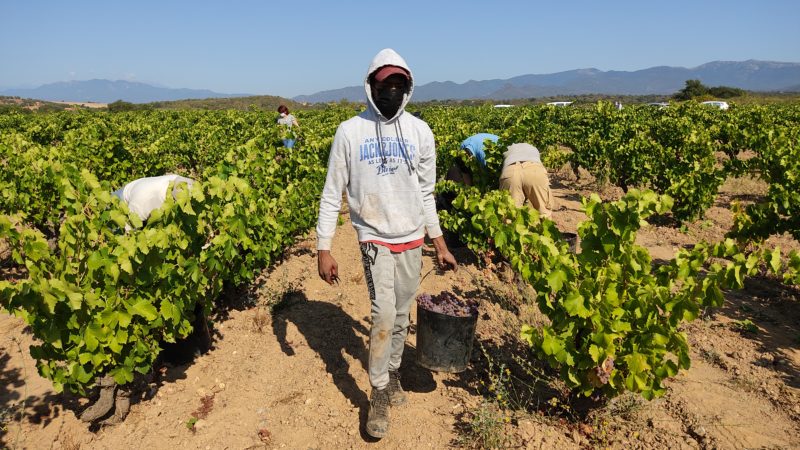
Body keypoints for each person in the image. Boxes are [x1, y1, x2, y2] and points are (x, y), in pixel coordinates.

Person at [315, 48, 457, 439]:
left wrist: (440, 244)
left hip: (412, 237)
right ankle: (378, 391)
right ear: (372, 85)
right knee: (381, 314)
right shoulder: (350, 132)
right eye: (386, 84)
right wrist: (323, 247)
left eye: (399, 84)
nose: (392, 91)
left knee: (401, 315)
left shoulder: (420, 132)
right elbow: (332, 193)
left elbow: (427, 194)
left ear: (407, 88)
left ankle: (392, 371)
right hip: (374, 236)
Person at [499, 143, 554, 219]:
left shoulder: (507, 148)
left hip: (511, 170)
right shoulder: (533, 148)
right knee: (544, 212)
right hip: (534, 170)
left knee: (510, 214)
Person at [112, 174, 195, 222]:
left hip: (141, 187)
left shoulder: (179, 181)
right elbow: (130, 227)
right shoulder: (143, 202)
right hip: (122, 200)